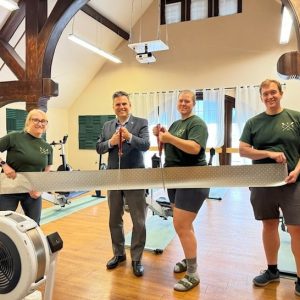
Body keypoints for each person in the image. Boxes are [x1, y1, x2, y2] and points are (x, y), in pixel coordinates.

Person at [239, 79, 300, 296]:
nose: (269, 97)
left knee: (296, 229)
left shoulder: (295, 117)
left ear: (281, 93)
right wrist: (268, 153)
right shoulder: (253, 123)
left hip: (292, 181)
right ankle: (272, 270)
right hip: (263, 182)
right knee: (269, 225)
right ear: (261, 97)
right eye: (265, 94)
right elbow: (243, 150)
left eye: (273, 92)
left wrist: (298, 170)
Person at [153, 90, 209, 291]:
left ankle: (193, 273)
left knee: (181, 225)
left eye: (187, 101)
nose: (183, 103)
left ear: (193, 104)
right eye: (181, 100)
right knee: (185, 224)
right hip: (174, 179)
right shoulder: (177, 125)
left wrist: (169, 138)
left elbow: (194, 148)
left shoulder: (197, 123)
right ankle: (188, 258)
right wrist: (161, 136)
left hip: (192, 179)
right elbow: (171, 146)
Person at [96, 91, 150, 277]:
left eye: (124, 104)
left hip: (135, 177)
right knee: (114, 219)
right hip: (113, 178)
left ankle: (136, 258)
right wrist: (110, 142)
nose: (121, 107)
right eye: (118, 104)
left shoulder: (141, 123)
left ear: (130, 105)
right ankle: (118, 254)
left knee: (139, 220)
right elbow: (98, 148)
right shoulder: (107, 126)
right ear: (113, 107)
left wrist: (129, 137)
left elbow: (145, 145)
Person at [0, 109, 53, 225]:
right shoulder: (14, 137)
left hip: (32, 190)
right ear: (28, 121)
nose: (40, 123)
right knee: (3, 223)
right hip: (10, 187)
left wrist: (40, 188)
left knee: (34, 225)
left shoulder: (47, 147)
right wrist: (4, 165)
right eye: (36, 120)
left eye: (43, 121)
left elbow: (47, 170)